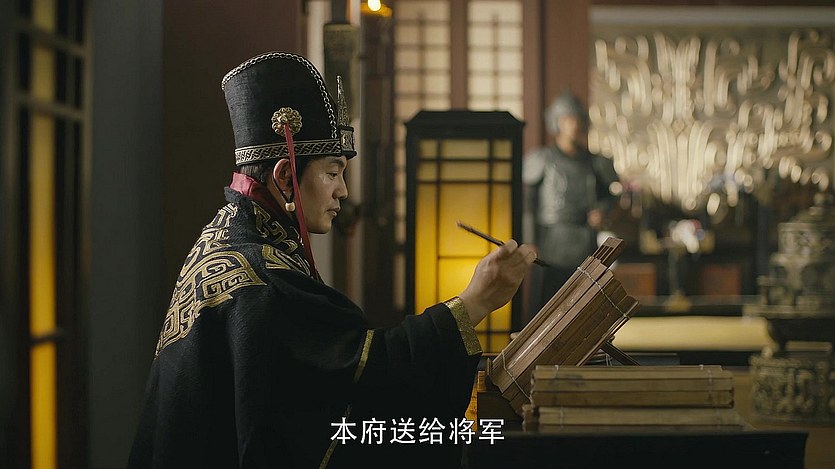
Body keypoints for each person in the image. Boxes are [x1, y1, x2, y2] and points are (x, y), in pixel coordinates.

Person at [127, 52, 536, 469]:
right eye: (332, 172)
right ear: (286, 177)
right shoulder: (265, 282)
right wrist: (475, 302)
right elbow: (368, 373)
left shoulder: (226, 233)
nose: (343, 191)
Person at [522, 91, 618, 320]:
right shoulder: (542, 159)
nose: (573, 125)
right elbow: (529, 205)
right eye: (567, 120)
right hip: (550, 240)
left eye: (576, 119)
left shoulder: (594, 163)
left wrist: (602, 211)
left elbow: (610, 197)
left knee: (581, 308)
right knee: (545, 308)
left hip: (583, 239)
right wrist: (530, 240)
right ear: (556, 122)